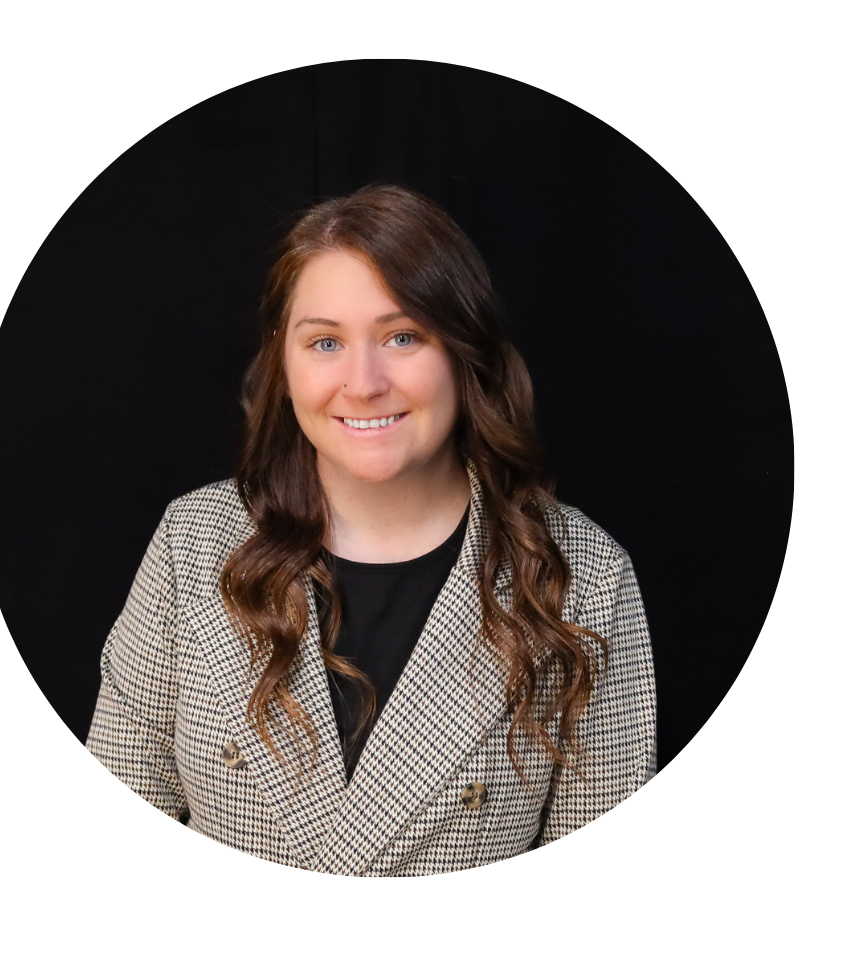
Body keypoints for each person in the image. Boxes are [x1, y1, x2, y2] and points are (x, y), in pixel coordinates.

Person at [85, 183, 656, 882]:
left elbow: (607, 866)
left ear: (463, 351)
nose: (363, 382)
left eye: (403, 336)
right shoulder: (193, 540)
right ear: (284, 367)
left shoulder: (587, 575)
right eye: (324, 342)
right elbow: (128, 785)